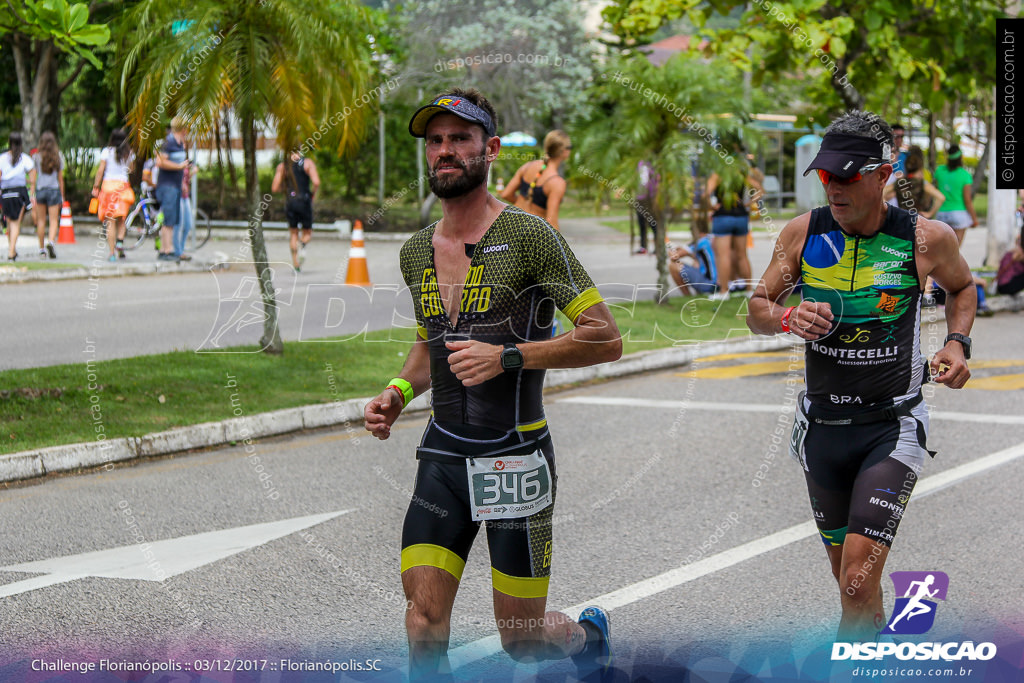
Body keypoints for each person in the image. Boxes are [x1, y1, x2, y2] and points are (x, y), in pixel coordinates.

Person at [364, 89, 621, 680]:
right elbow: (433, 347)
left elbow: (605, 337)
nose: (445, 151)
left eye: (460, 138)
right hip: (443, 456)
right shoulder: (414, 252)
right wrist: (397, 394)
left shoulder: (531, 238)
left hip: (516, 459)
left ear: (491, 149)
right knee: (423, 621)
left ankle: (587, 638)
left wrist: (509, 356)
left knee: (524, 643)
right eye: (435, 140)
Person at [746, 111, 976, 643]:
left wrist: (956, 343)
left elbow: (963, 289)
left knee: (855, 578)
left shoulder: (926, 239)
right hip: (823, 429)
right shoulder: (802, 233)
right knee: (850, 584)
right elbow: (757, 305)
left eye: (847, 176)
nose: (834, 188)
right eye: (826, 176)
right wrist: (787, 317)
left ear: (884, 173)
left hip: (891, 428)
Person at [706, 145, 763, 298]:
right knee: (742, 255)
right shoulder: (741, 173)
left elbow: (706, 194)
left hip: (723, 216)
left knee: (722, 255)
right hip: (741, 217)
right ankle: (748, 290)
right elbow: (759, 189)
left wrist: (712, 206)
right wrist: (748, 204)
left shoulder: (718, 174)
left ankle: (724, 291)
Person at [500, 129, 571, 230]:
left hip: (511, 226)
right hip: (532, 233)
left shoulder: (528, 166)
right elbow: (552, 222)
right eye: (570, 147)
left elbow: (506, 194)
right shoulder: (557, 182)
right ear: (564, 151)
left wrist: (523, 208)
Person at [271, 149, 320, 271]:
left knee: (293, 233)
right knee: (307, 233)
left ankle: (296, 265)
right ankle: (302, 244)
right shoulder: (307, 163)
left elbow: (275, 188)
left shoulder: (283, 166)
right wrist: (312, 194)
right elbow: (316, 182)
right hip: (304, 200)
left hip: (290, 201)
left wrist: (286, 189)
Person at [91, 128, 135, 262]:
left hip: (108, 188)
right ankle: (120, 242)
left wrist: (96, 186)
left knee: (110, 222)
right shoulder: (129, 153)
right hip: (123, 188)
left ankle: (112, 253)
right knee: (122, 218)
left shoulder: (106, 152)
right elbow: (132, 170)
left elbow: (100, 171)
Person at [153, 118, 190, 261]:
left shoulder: (180, 144)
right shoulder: (168, 142)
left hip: (176, 186)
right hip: (166, 186)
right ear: (183, 129)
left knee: (173, 220)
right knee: (168, 219)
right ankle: (165, 251)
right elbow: (159, 162)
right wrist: (179, 166)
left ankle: (168, 249)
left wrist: (182, 182)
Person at [1, 132, 37, 261]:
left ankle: (12, 249)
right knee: (16, 223)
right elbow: (33, 173)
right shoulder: (24, 158)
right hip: (19, 193)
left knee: (9, 222)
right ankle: (11, 252)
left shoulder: (3, 158)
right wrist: (31, 189)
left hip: (5, 193)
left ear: (9, 143)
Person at [933, 144, 979, 245]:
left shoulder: (939, 171)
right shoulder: (965, 175)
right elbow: (967, 200)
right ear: (960, 158)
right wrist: (974, 219)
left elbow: (935, 190)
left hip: (942, 213)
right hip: (959, 214)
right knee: (955, 249)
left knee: (942, 248)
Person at [887, 146, 944, 218]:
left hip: (901, 219)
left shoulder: (899, 182)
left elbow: (882, 193)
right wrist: (930, 213)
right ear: (919, 168)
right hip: (918, 219)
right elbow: (941, 197)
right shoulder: (922, 183)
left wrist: (888, 209)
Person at [32, 131, 65, 259]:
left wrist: (33, 193)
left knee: (41, 221)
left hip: (41, 190)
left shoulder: (36, 157)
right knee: (53, 220)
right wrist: (62, 195)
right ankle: (50, 241)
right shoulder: (58, 156)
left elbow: (34, 177)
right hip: (54, 191)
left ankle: (41, 250)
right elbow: (60, 179)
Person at [669, 220, 717, 295]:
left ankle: (687, 295)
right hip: (719, 282)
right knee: (696, 262)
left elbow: (674, 257)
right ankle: (700, 292)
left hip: (709, 284)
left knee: (673, 266)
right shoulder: (712, 239)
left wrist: (670, 250)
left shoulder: (699, 242)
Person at [633, 159, 658, 254]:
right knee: (641, 223)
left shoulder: (653, 163)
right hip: (640, 198)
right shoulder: (639, 163)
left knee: (653, 223)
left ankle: (658, 247)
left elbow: (657, 180)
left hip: (651, 198)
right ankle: (643, 247)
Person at [176, 145, 194, 262]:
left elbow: (186, 179)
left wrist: (192, 173)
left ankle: (181, 249)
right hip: (178, 196)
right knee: (179, 224)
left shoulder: (185, 162)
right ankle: (177, 251)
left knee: (188, 225)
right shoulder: (176, 161)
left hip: (185, 196)